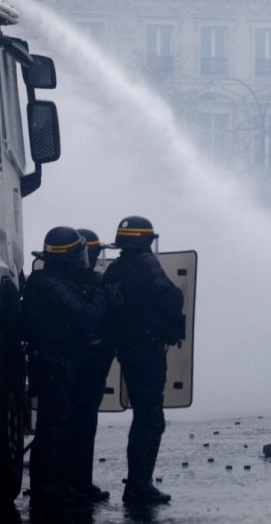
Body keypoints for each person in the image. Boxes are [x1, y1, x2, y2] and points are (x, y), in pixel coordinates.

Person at [21, 226, 107, 512]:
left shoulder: (49, 280)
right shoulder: (51, 284)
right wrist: (101, 296)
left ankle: (57, 484)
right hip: (54, 364)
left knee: (59, 427)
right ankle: (46, 489)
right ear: (71, 257)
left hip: (57, 363)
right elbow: (86, 319)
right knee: (52, 429)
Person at [103, 216, 184, 504]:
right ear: (146, 240)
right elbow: (171, 298)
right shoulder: (147, 264)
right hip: (145, 349)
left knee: (144, 416)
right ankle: (139, 485)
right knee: (149, 419)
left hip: (125, 348)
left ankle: (137, 484)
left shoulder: (113, 269)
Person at [67, 229, 114, 502]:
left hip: (71, 363)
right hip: (86, 364)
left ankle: (66, 482)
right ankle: (78, 483)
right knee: (83, 425)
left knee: (69, 425)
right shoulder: (94, 284)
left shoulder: (58, 281)